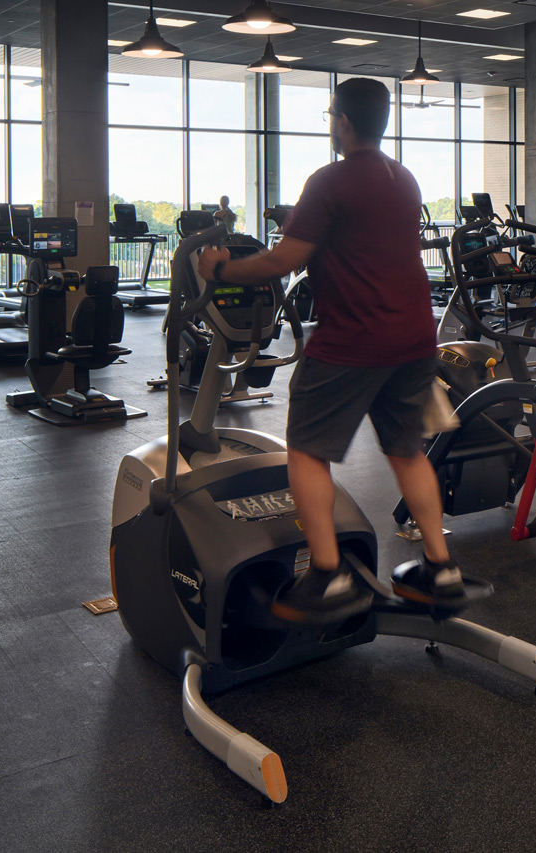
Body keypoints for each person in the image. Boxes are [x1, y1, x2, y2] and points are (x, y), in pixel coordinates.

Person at [196, 77, 471, 624]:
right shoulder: (405, 178)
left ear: (342, 121)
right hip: (415, 336)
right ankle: (441, 570)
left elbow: (282, 261)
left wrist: (220, 268)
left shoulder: (329, 181)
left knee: (306, 450)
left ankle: (327, 574)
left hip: (353, 340)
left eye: (331, 116)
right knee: (406, 449)